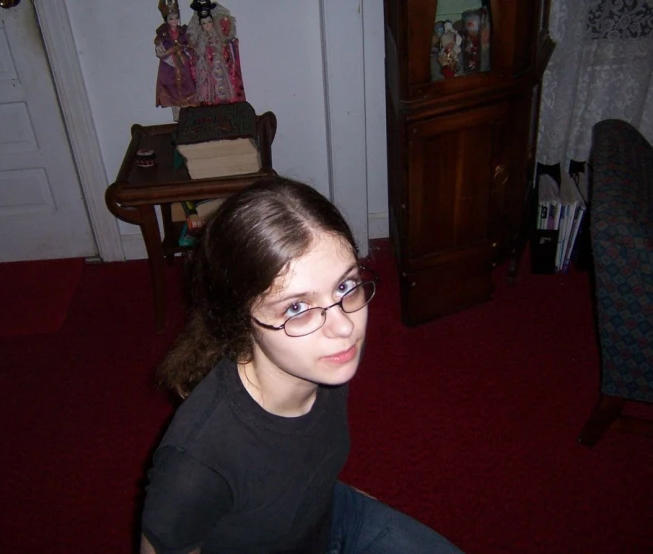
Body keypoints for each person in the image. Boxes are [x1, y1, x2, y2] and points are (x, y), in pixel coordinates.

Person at [140, 177, 463, 553]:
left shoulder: (318, 361)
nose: (344, 327)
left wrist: (327, 493)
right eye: (296, 307)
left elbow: (293, 460)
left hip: (330, 517)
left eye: (345, 286)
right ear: (240, 317)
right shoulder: (195, 466)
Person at [186, 1, 245, 105]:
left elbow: (225, 47)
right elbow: (198, 53)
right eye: (204, 23)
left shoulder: (217, 36)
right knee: (208, 86)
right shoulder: (201, 39)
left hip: (218, 65)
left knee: (221, 84)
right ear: (200, 25)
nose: (207, 25)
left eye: (209, 22)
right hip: (207, 67)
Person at [154, 0, 197, 115]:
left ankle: (189, 117)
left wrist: (186, 53)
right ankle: (179, 116)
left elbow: (191, 46)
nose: (174, 21)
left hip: (184, 66)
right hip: (170, 68)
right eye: (171, 18)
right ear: (166, 20)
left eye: (176, 18)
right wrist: (170, 58)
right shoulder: (162, 34)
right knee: (173, 93)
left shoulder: (184, 32)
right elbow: (160, 51)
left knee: (189, 90)